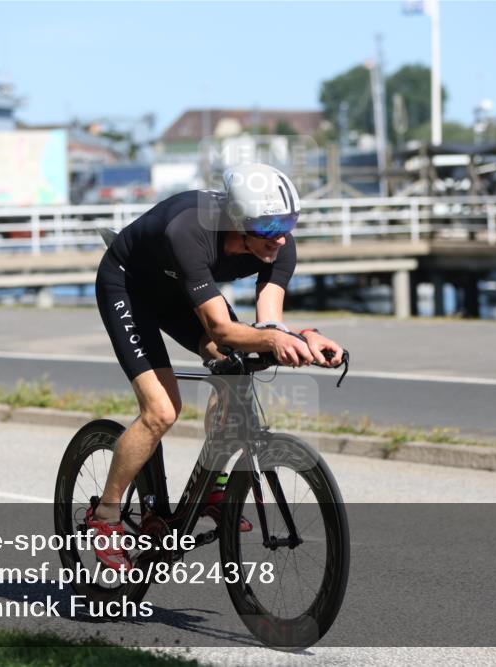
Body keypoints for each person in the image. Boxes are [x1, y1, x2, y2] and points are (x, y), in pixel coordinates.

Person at [89, 163, 344, 569]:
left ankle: (211, 485)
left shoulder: (279, 245)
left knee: (236, 366)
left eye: (287, 224)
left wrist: (304, 337)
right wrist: (279, 339)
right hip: (129, 287)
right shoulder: (189, 231)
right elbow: (220, 328)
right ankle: (104, 516)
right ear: (237, 222)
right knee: (161, 411)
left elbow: (268, 325)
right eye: (267, 227)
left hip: (180, 292)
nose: (279, 237)